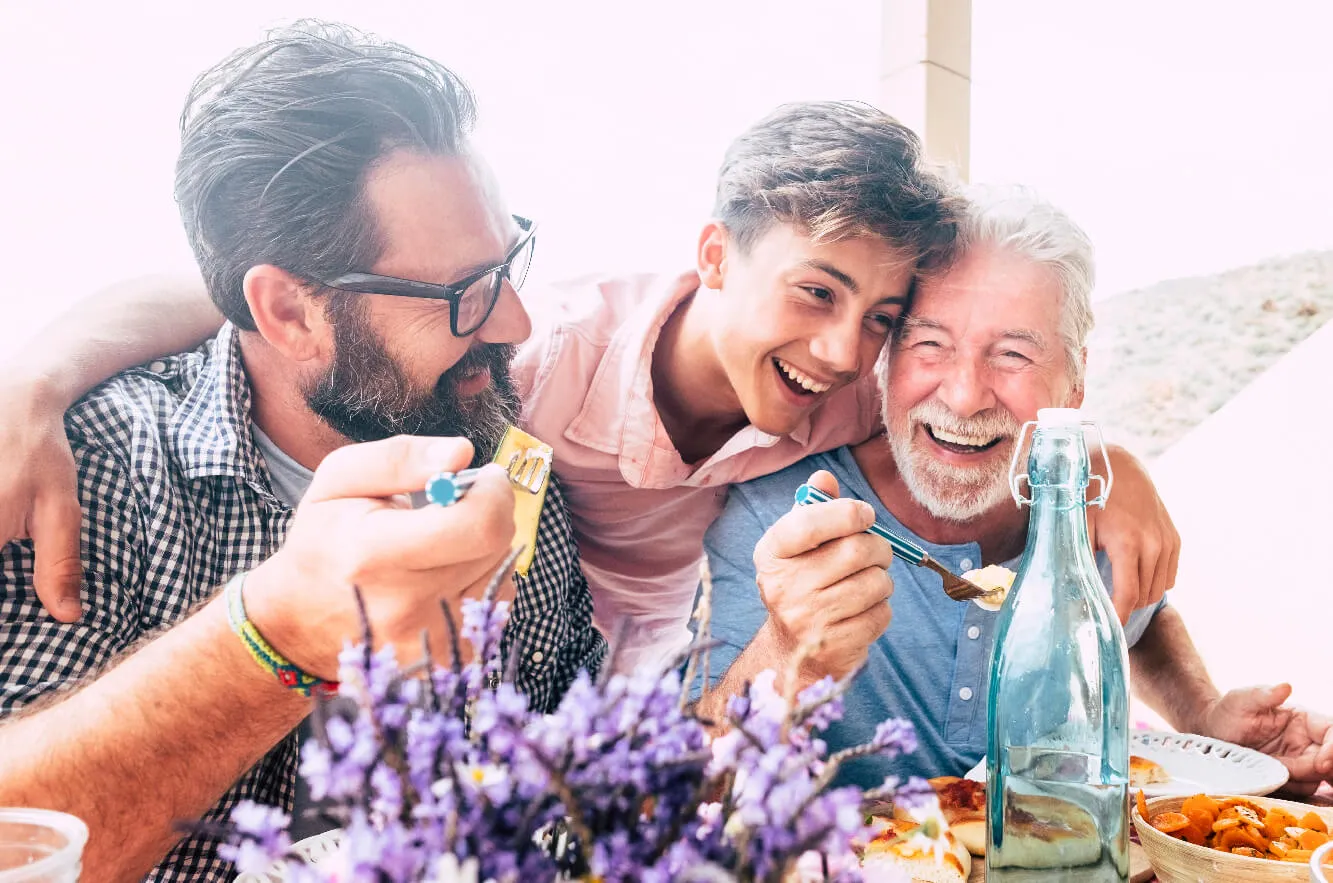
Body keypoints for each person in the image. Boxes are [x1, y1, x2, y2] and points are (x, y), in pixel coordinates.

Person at [0, 99, 1179, 676]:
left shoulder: (853, 387)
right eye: (814, 295)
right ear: (713, 258)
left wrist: (1107, 466)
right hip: (529, 663)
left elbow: (979, 405)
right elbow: (273, 303)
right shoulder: (530, 348)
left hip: (675, 680)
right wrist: (37, 371)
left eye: (876, 317)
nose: (838, 349)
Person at [0, 23, 604, 881]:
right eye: (464, 294)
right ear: (288, 312)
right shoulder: (89, 469)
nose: (513, 325)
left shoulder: (497, 460)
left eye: (508, 265)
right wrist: (270, 633)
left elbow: (570, 781)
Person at [696, 186, 1333, 794]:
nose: (965, 395)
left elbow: (1136, 618)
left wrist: (1204, 717)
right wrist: (788, 653)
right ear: (885, 359)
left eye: (1012, 356)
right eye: (930, 344)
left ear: (1075, 384)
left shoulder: (1088, 512)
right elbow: (682, 782)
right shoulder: (777, 518)